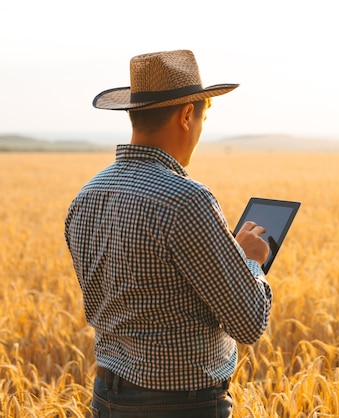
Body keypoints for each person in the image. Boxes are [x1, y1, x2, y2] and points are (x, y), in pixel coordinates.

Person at [64, 50, 271, 417]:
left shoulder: (86, 196)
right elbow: (249, 322)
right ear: (187, 116)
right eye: (202, 118)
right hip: (181, 405)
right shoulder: (187, 200)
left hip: (106, 397)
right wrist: (250, 262)